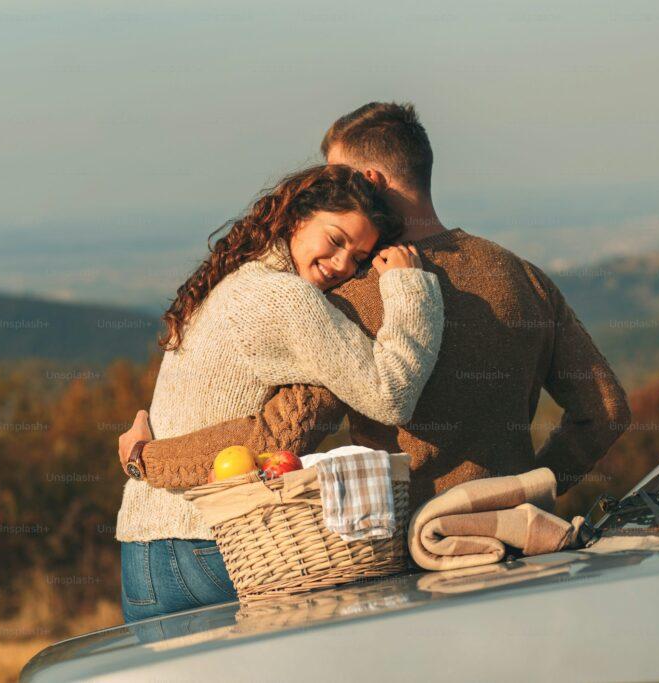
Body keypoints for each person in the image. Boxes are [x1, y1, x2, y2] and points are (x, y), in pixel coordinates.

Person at [119, 101, 632, 577]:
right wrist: (528, 492)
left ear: (367, 179)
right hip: (526, 549)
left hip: (412, 562)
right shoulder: (523, 275)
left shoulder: (356, 298)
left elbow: (277, 439)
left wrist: (150, 458)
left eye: (334, 175)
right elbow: (605, 411)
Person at [115, 164, 445, 622]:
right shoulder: (286, 298)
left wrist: (143, 459)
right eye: (336, 240)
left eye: (359, 257)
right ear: (297, 219)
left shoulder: (235, 281)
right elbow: (390, 394)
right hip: (219, 545)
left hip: (142, 553)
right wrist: (411, 288)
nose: (343, 265)